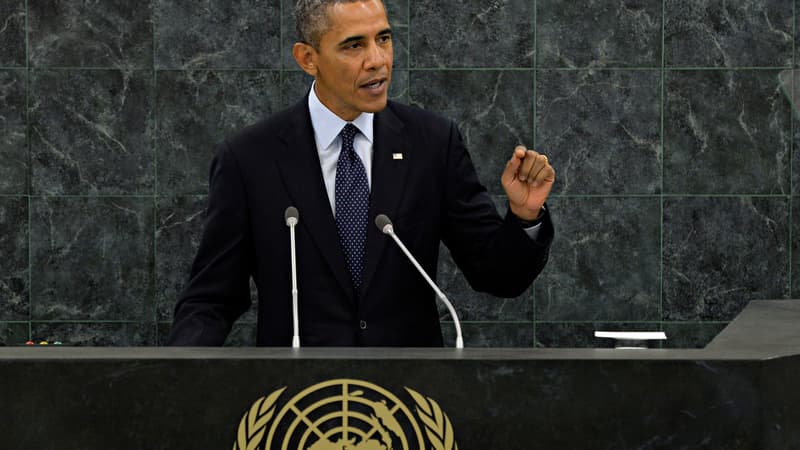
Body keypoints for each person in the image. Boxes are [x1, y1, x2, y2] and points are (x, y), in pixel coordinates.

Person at [167, 0, 555, 347]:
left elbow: (497, 276)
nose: (377, 60)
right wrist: (172, 381)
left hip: (411, 405)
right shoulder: (250, 157)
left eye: (383, 39)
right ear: (307, 58)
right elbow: (211, 298)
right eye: (354, 45)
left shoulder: (432, 143)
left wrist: (524, 217)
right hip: (299, 404)